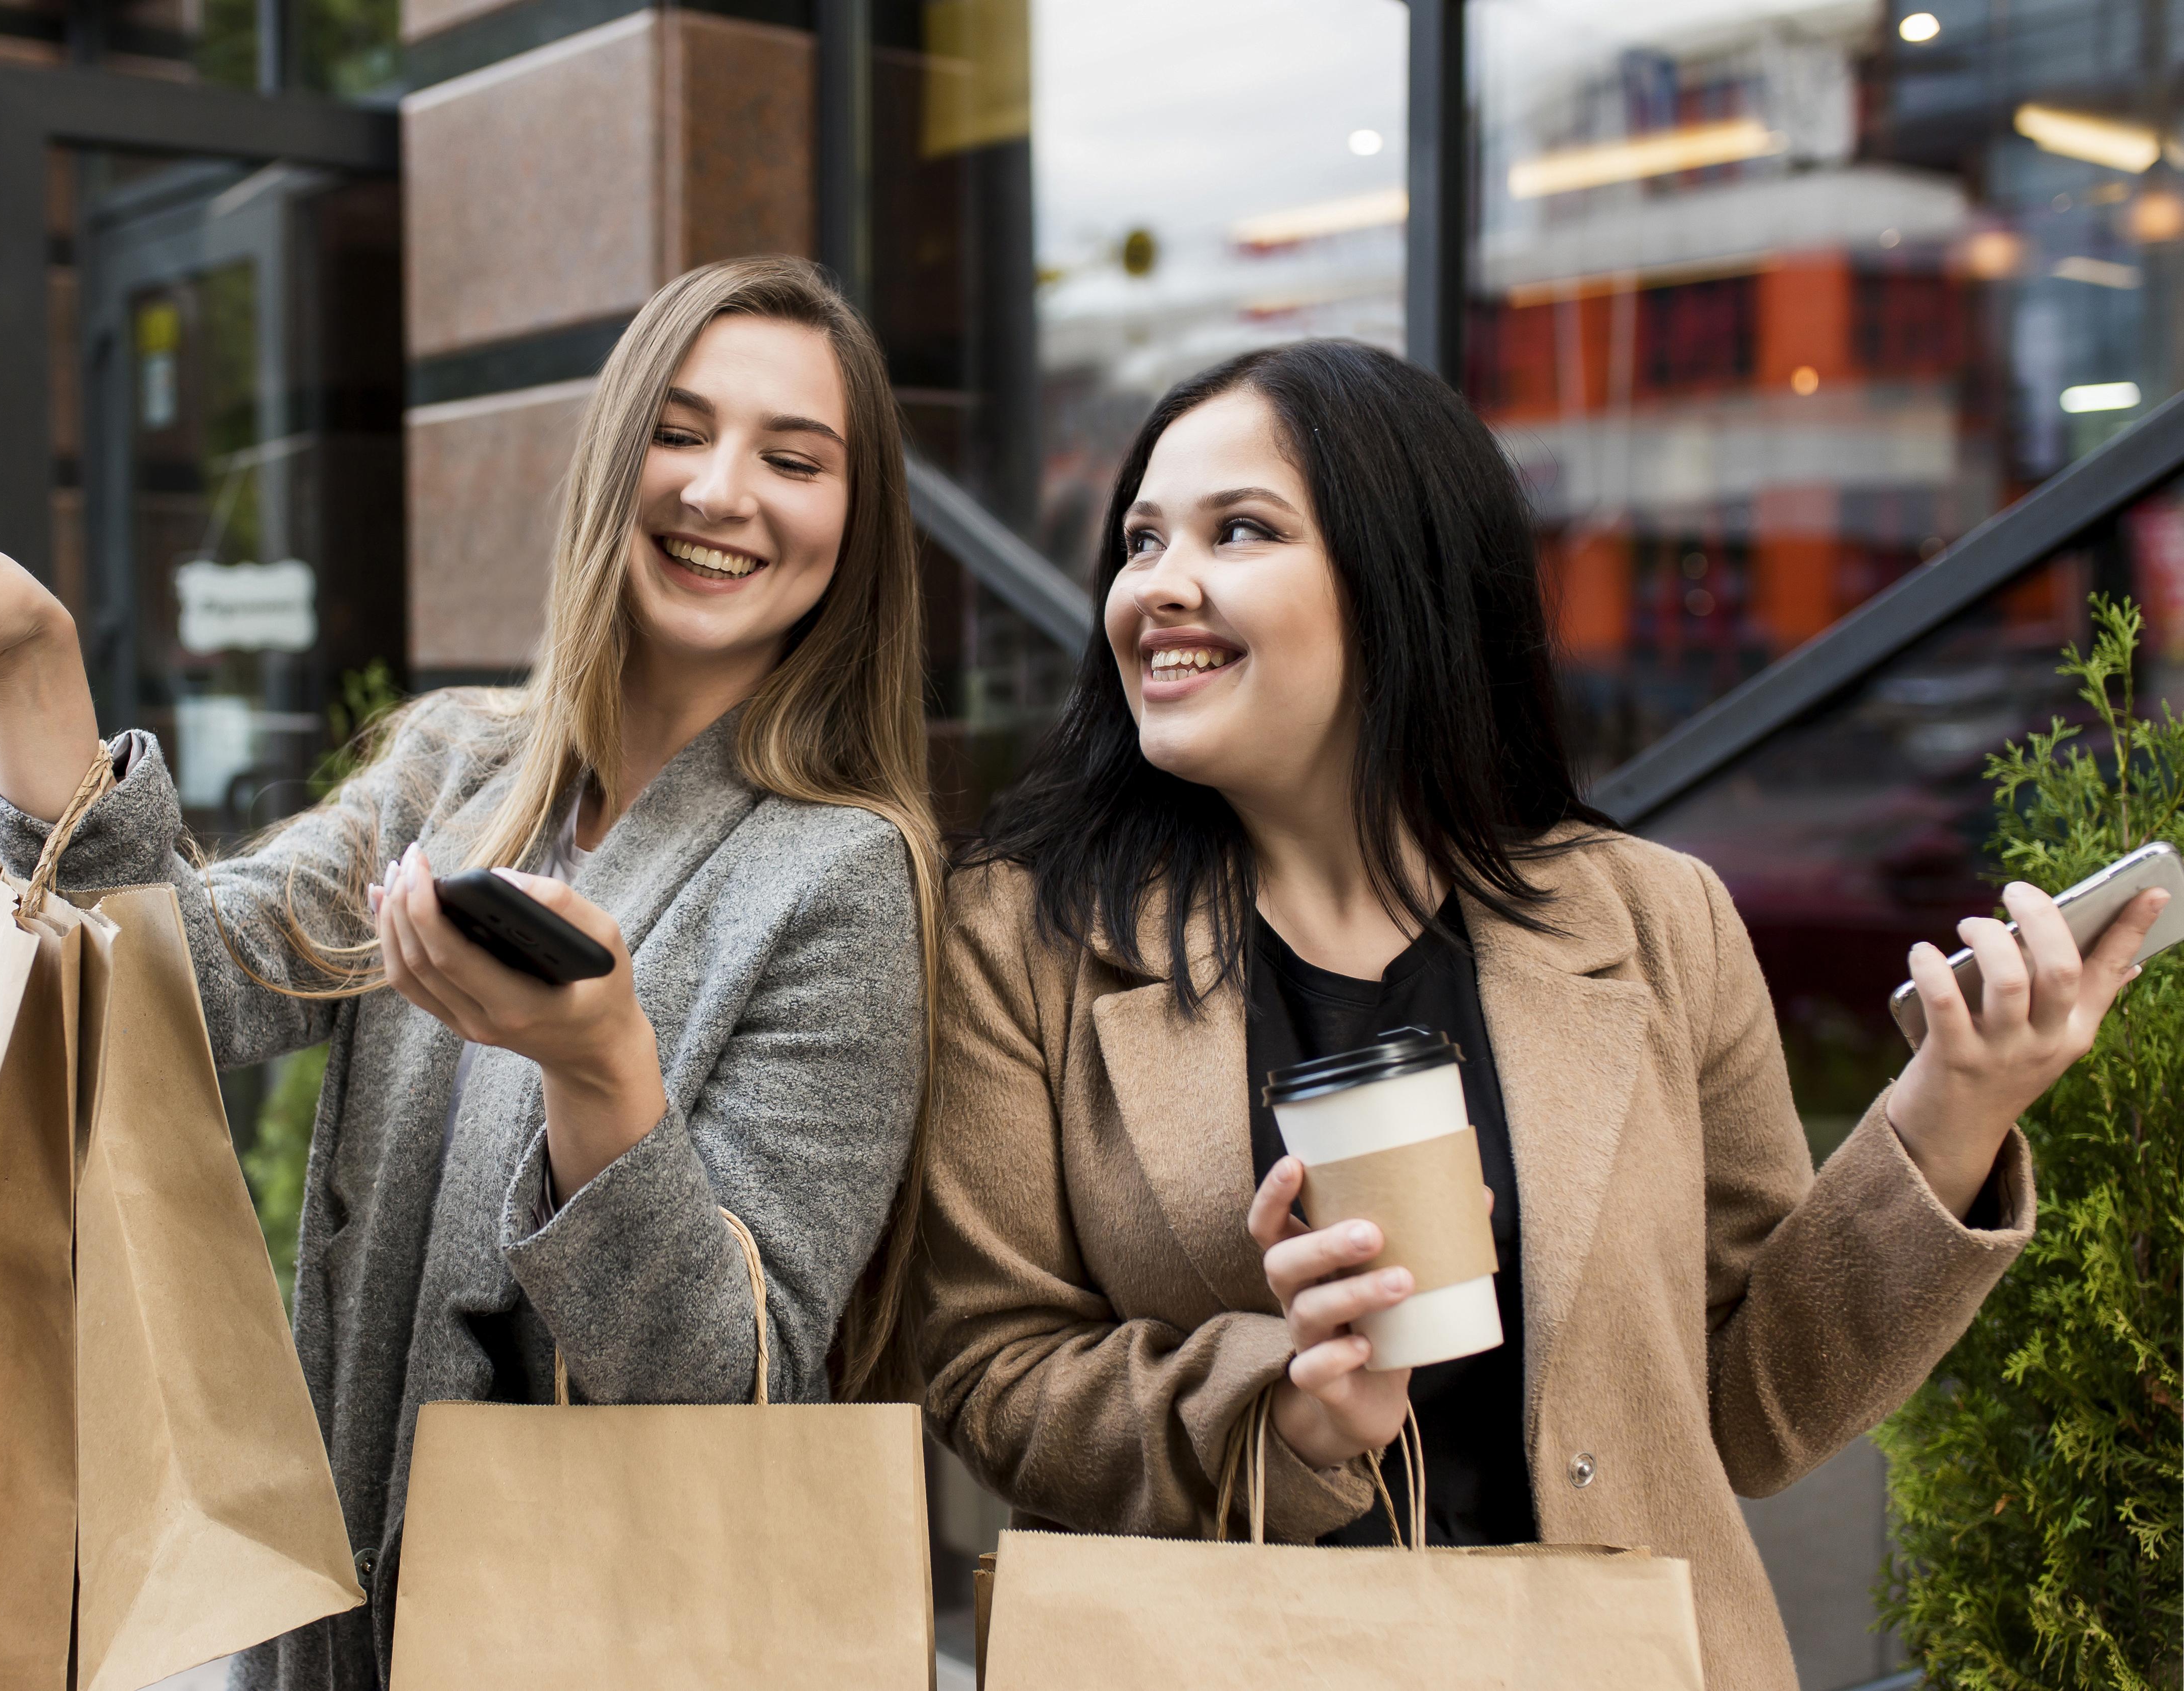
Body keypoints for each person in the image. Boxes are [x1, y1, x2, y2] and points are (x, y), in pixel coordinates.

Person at [0, 254, 939, 1690]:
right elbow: (172, 981)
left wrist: (600, 1069)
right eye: (678, 432)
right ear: (612, 459)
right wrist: (33, 668)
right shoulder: (457, 766)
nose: (720, 489)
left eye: (792, 459)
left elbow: (731, 1380)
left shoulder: (845, 873)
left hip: (611, 1634)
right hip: (341, 1618)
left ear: (854, 526)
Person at [912, 339, 2167, 1691]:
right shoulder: (1026, 938)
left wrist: (1955, 1109)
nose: (1159, 584)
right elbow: (989, 1368)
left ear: (1406, 583)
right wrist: (1285, 1413)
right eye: (1143, 539)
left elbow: (1751, 1410)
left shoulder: (1651, 920)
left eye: (1242, 530)